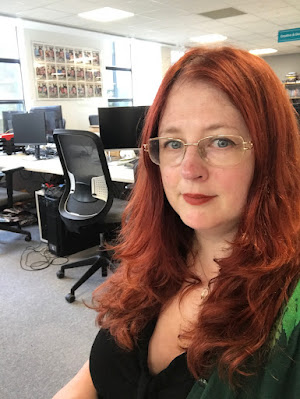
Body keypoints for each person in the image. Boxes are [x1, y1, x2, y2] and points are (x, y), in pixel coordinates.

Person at [52, 46, 300, 399]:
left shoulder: (289, 309)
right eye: (172, 143)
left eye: (221, 141)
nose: (188, 169)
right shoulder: (155, 259)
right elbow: (95, 375)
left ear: (269, 153)